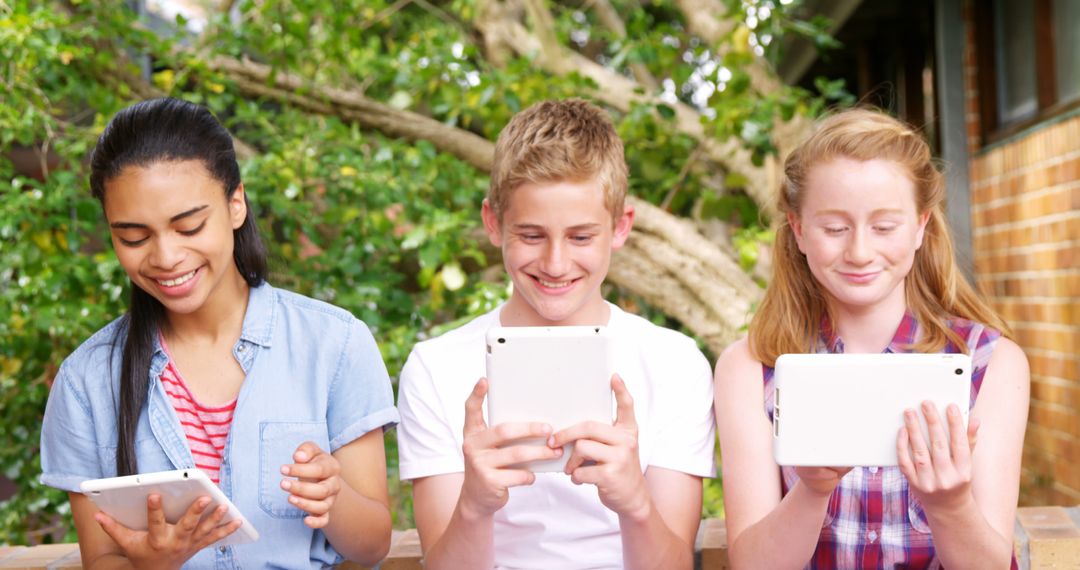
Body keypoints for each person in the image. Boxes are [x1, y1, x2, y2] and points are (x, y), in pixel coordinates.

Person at [39, 97, 399, 569]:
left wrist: (334, 498)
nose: (166, 256)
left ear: (235, 204)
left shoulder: (335, 345)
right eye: (133, 237)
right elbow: (101, 559)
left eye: (189, 226)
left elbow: (373, 546)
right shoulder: (86, 381)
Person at [395, 99, 716, 569]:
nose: (556, 264)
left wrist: (634, 500)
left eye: (581, 237)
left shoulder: (675, 362)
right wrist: (475, 503)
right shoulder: (435, 367)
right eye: (530, 235)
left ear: (620, 227)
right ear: (493, 223)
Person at [714, 108, 1029, 568]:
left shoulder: (990, 362)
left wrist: (949, 504)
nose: (860, 252)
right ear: (799, 230)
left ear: (921, 226)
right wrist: (812, 489)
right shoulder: (749, 367)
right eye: (835, 228)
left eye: (884, 227)